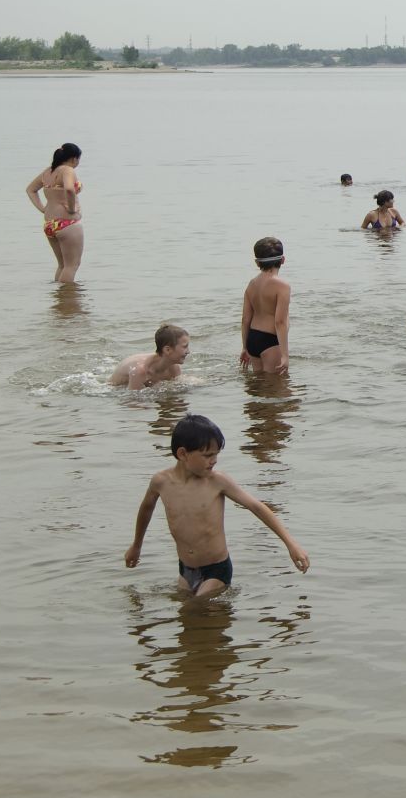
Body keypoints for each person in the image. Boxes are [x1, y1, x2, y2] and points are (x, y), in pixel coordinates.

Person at [124, 414, 310, 597]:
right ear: (183, 454)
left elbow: (256, 507)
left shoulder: (217, 482)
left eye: (216, 454)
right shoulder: (161, 482)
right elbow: (146, 508)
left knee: (195, 607)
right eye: (207, 455)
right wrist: (136, 546)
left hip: (216, 569)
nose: (214, 460)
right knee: (186, 619)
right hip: (186, 568)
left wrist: (291, 544)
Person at [25, 142, 84, 283]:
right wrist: (71, 208)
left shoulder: (48, 172)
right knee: (72, 266)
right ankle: (67, 301)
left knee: (62, 265)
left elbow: (30, 190)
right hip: (67, 224)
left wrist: (42, 208)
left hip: (50, 224)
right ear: (74, 158)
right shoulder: (67, 170)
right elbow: (69, 189)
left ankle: (59, 299)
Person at [240, 237, 291, 373]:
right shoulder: (282, 286)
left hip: (252, 339)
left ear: (257, 263)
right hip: (270, 341)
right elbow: (280, 322)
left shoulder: (252, 284)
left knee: (260, 385)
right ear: (283, 260)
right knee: (278, 387)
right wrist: (285, 355)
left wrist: (245, 347)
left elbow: (245, 319)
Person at [109, 323, 190, 390]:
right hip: (114, 388)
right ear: (167, 350)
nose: (188, 351)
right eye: (185, 347)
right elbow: (134, 403)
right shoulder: (139, 371)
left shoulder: (174, 368)